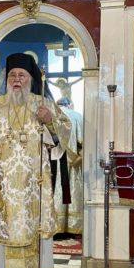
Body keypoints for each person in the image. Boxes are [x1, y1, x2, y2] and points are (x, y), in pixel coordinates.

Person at [0, 52, 71, 268]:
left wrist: (50, 121)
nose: (17, 79)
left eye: (21, 75)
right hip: (2, 181)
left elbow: (63, 135)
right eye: (12, 75)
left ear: (30, 79)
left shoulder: (42, 104)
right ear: (7, 79)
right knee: (4, 224)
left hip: (34, 183)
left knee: (34, 223)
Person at [52, 97, 83, 235]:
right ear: (70, 104)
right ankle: (71, 226)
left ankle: (55, 226)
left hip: (53, 161)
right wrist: (78, 158)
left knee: (55, 191)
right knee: (71, 191)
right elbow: (83, 141)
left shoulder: (51, 115)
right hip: (72, 162)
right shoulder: (78, 116)